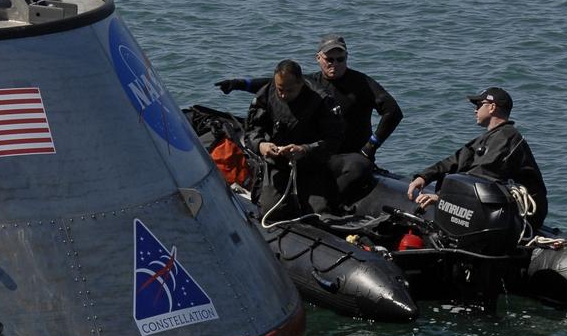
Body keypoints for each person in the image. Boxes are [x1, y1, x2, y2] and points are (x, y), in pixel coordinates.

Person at [217, 34, 402, 201]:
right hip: (315, 154)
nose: (335, 64)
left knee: (358, 168)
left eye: (340, 59)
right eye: (329, 59)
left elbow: (393, 112)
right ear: (318, 59)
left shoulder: (362, 83)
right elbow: (274, 85)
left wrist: (370, 147)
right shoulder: (309, 84)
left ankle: (331, 202)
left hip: (348, 157)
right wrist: (239, 84)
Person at [406, 86, 548, 227]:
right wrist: (424, 177)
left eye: (479, 105)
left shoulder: (507, 137)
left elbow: (482, 175)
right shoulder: (489, 137)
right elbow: (455, 160)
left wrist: (441, 198)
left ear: (492, 107)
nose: (475, 110)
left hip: (523, 214)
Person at [244, 60, 343, 219]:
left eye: (289, 90)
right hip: (277, 164)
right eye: (280, 89)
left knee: (319, 215)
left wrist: (305, 149)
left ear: (301, 83)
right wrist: (261, 145)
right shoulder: (267, 93)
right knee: (271, 212)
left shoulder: (321, 100)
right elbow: (252, 129)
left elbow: (334, 139)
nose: (283, 95)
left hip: (311, 165)